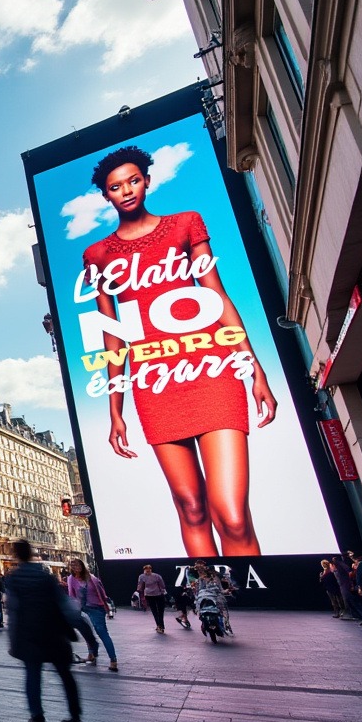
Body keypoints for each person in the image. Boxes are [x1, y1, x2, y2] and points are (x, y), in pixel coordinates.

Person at [83, 146, 276, 558]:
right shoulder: (98, 255)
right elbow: (112, 335)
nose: (127, 191)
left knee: (233, 514)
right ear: (107, 196)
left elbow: (217, 295)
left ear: (147, 181)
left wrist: (253, 367)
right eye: (116, 187)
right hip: (154, 383)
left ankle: (262, 599)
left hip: (211, 370)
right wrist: (115, 408)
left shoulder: (185, 225)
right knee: (191, 509)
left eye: (134, 180)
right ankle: (214, 604)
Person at [6, 539, 83, 722]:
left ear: (16, 555)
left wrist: (12, 639)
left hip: (28, 633)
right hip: (53, 631)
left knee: (33, 675)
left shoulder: (13, 579)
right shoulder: (45, 576)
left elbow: (13, 610)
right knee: (65, 674)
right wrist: (77, 625)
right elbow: (65, 604)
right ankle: (75, 716)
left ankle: (37, 716)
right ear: (32, 553)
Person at [66, 558, 117, 671]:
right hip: (82, 609)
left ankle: (113, 660)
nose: (75, 567)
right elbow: (72, 596)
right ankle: (92, 655)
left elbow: (102, 595)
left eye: (77, 565)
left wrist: (108, 610)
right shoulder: (71, 579)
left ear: (82, 566)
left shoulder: (92, 579)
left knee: (102, 633)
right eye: (73, 566)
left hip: (96, 609)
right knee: (87, 633)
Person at [137, 564, 168, 634]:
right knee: (159, 611)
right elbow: (163, 585)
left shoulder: (142, 576)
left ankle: (160, 626)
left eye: (148, 569)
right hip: (155, 595)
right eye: (146, 569)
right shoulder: (157, 576)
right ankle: (160, 626)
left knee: (156, 611)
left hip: (153, 595)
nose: (147, 571)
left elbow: (139, 586)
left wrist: (140, 592)